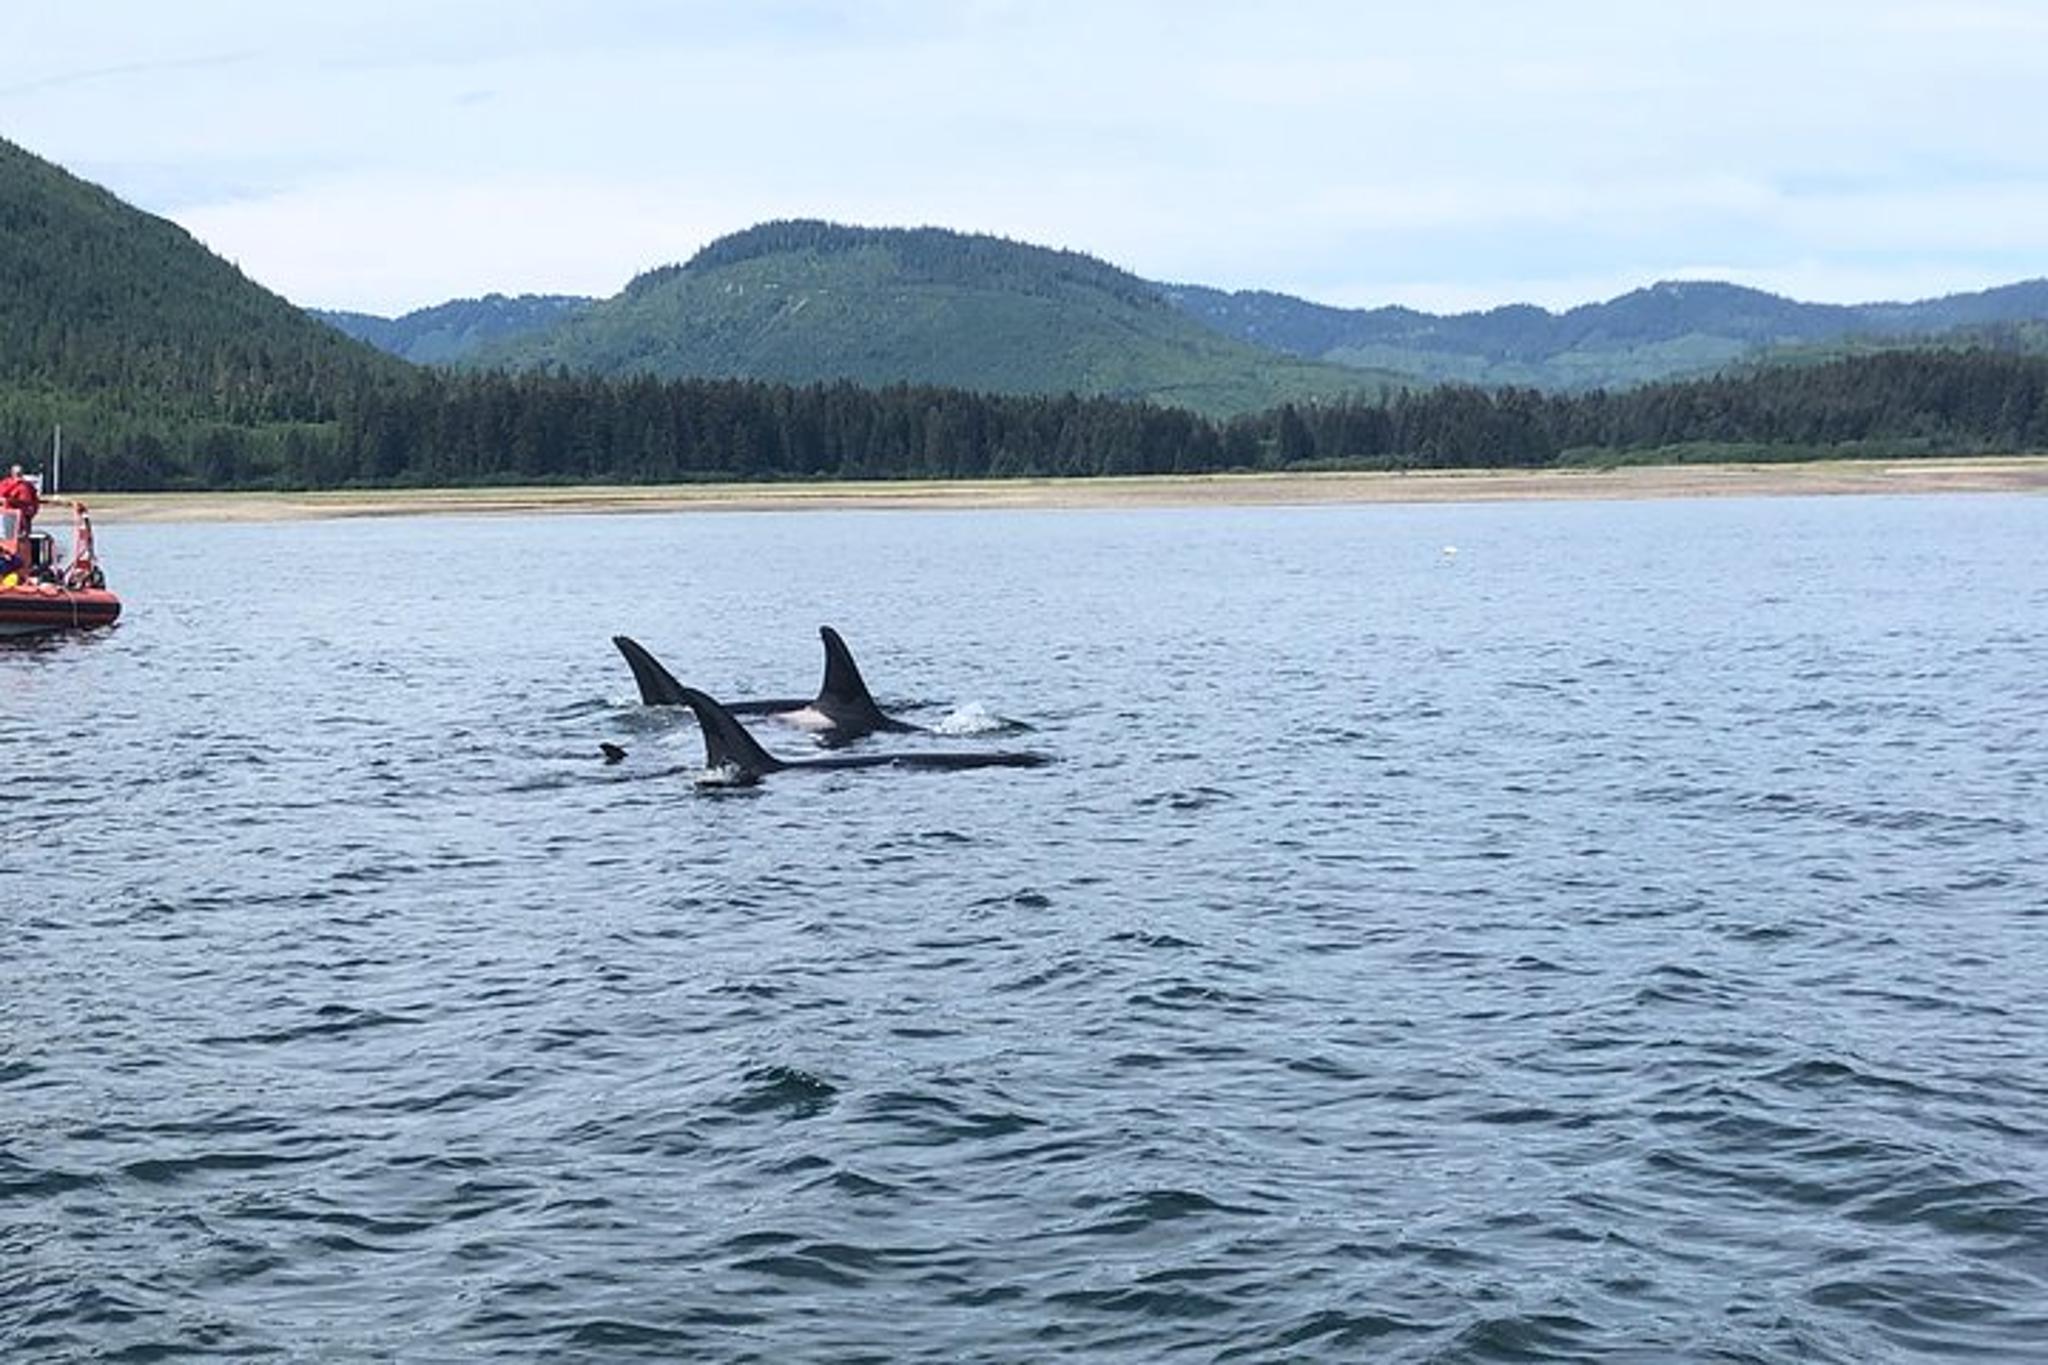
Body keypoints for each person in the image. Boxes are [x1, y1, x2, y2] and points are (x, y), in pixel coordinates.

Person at [0, 464, 38, 533]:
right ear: (12, 473)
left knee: (23, 533)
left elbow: (33, 501)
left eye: (20, 473)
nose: (18, 476)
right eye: (17, 473)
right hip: (8, 514)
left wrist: (32, 512)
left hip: (23, 516)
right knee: (8, 532)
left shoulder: (27, 486)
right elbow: (2, 496)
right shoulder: (5, 483)